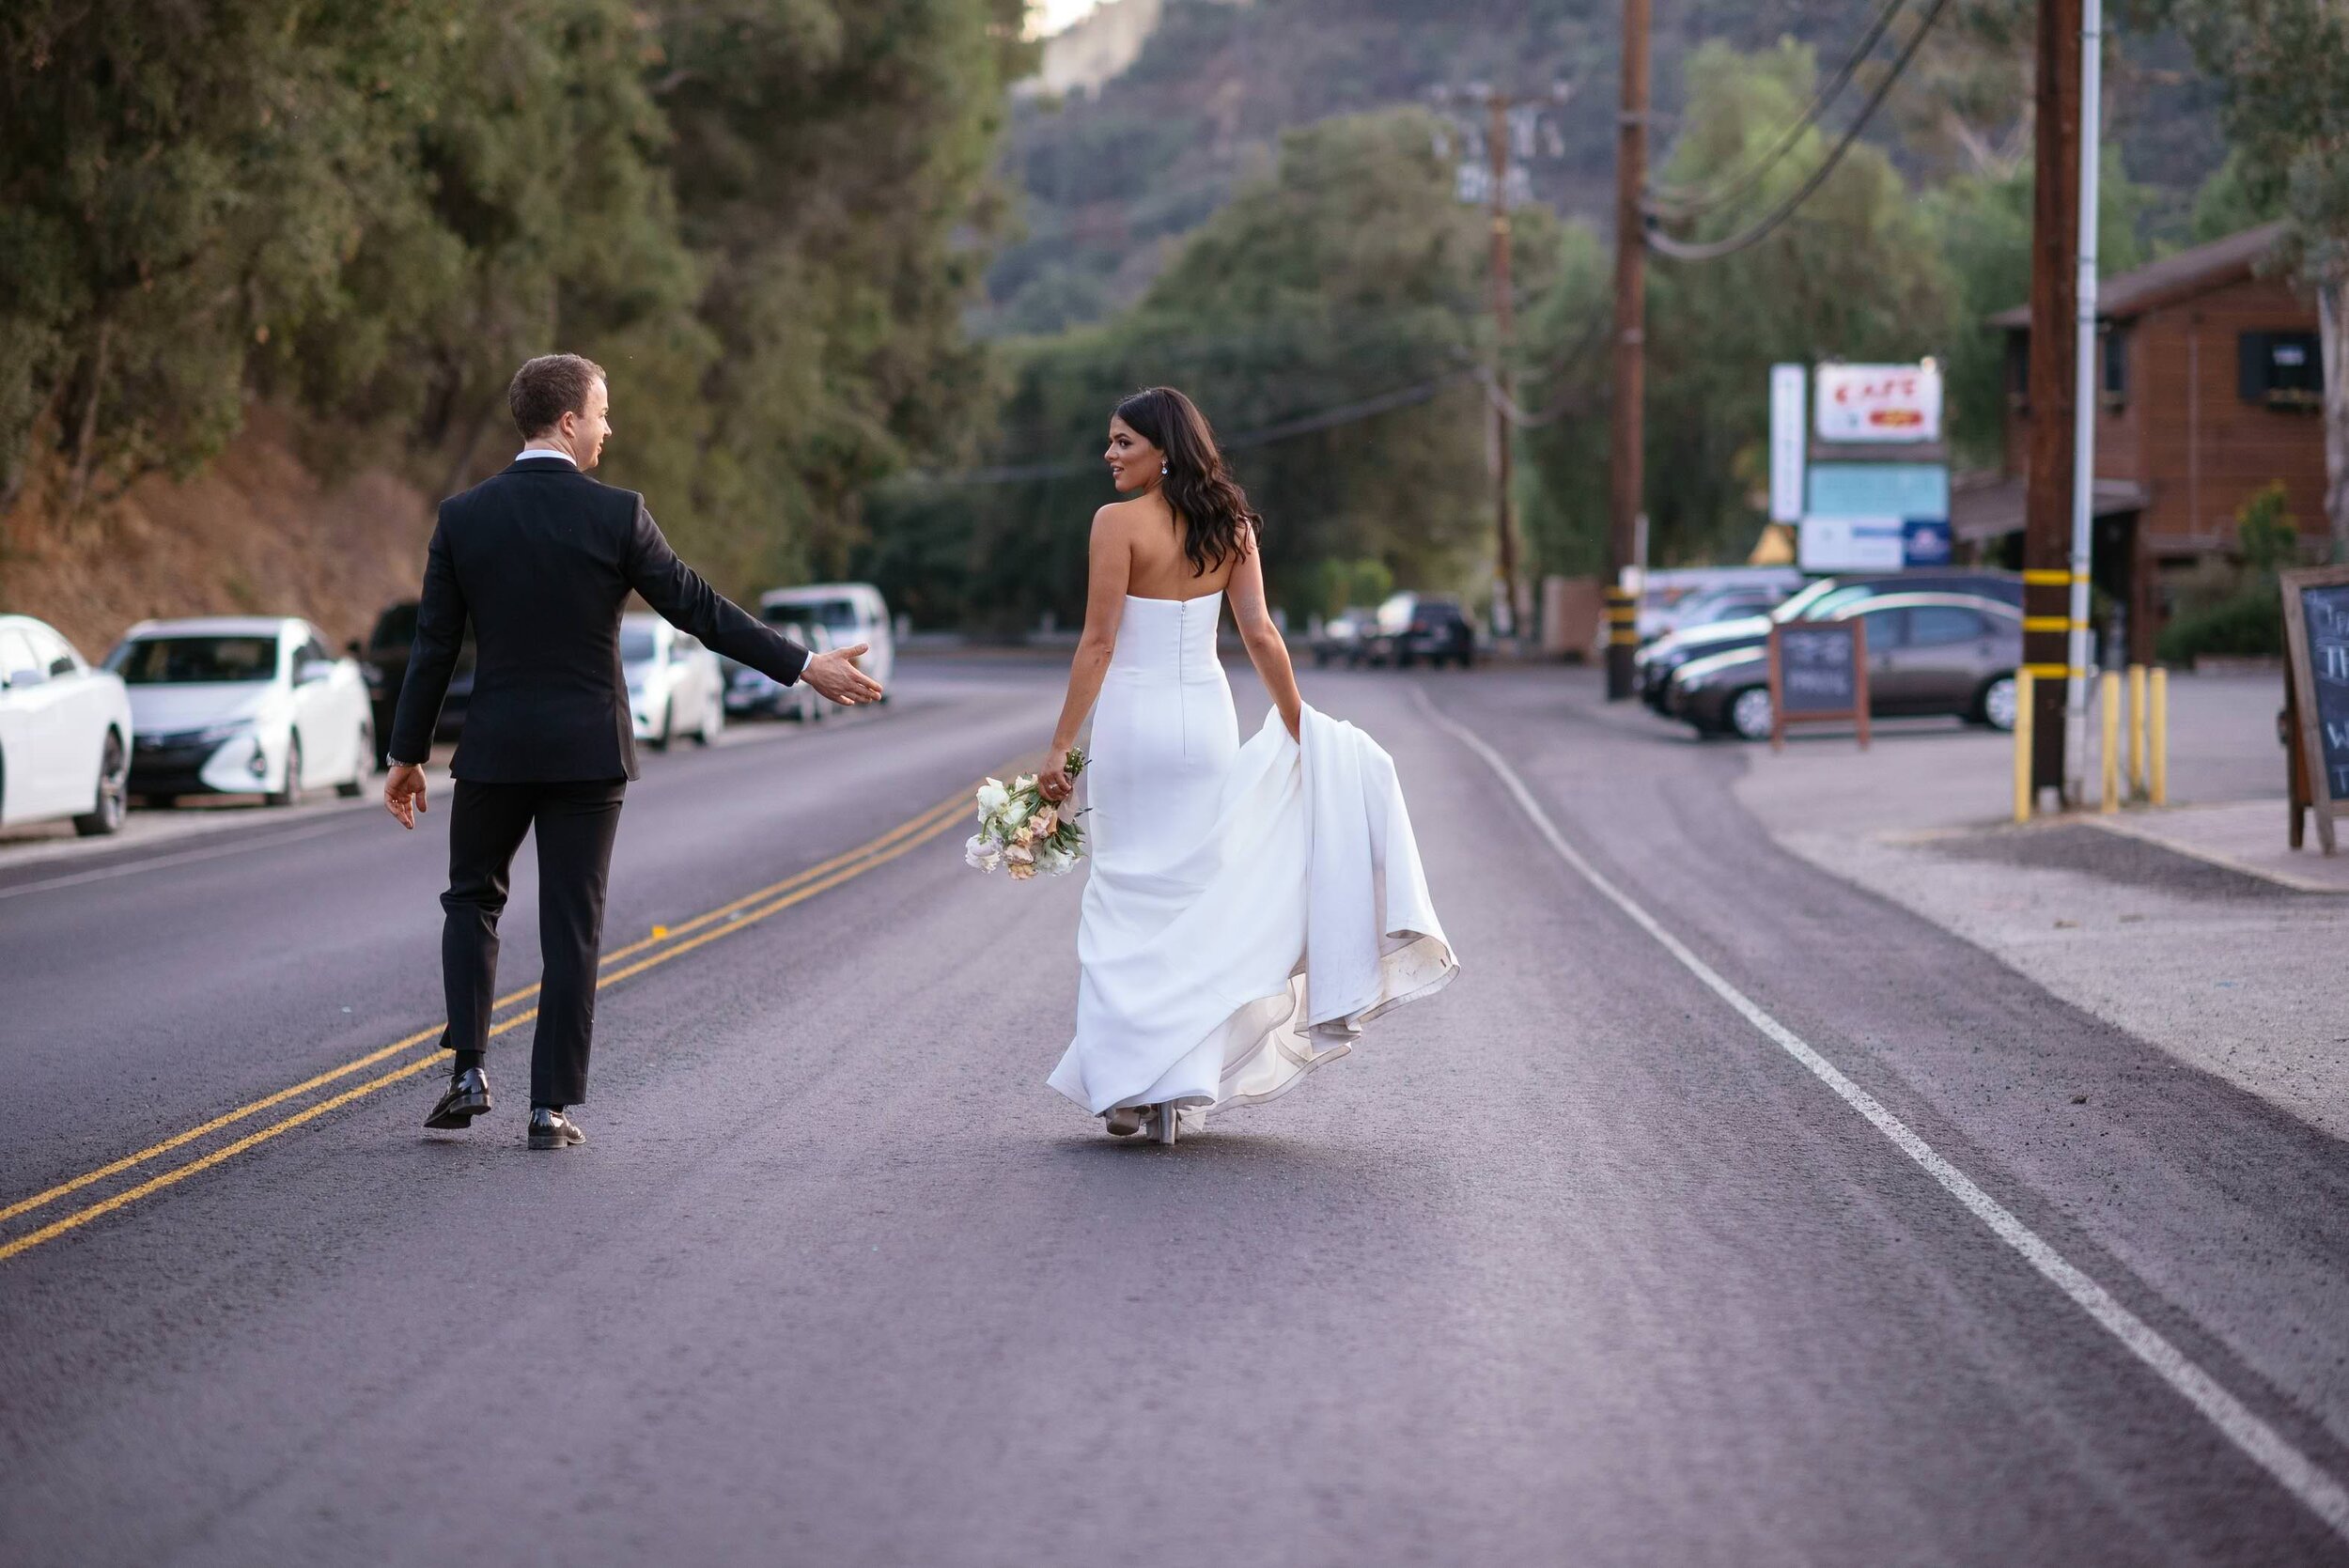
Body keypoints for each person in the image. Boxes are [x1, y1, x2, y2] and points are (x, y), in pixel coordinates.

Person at [383, 353, 881, 1149]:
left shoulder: (464, 516)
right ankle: (549, 1106)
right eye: (603, 412)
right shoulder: (617, 515)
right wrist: (803, 664)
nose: (610, 428)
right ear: (570, 421)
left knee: (472, 899)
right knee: (572, 925)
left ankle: (468, 1070)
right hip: (589, 751)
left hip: (495, 748)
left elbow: (433, 645)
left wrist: (405, 753)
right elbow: (700, 610)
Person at [1039, 387, 1456, 1143]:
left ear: (1162, 450)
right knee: (1193, 893)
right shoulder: (1230, 526)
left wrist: (1061, 747)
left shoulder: (1115, 525)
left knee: (1126, 892)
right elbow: (1260, 633)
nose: (1110, 455)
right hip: (1204, 722)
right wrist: (1304, 729)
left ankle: (1128, 1089)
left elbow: (1098, 645)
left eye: (1123, 442)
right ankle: (1175, 1079)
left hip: (1135, 727)